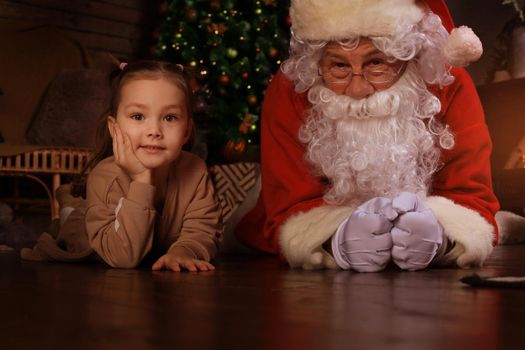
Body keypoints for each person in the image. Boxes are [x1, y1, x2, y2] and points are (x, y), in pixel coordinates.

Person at [235, 0, 500, 272]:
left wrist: (443, 237)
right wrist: (332, 240)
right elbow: (286, 204)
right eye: (338, 66)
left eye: (376, 62)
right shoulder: (291, 89)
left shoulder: (449, 83)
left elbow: (472, 197)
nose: (358, 89)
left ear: (411, 55)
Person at [22, 60, 223, 271]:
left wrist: (183, 252)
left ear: (187, 131)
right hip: (93, 240)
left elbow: (203, 229)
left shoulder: (195, 170)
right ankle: (71, 207)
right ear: (114, 128)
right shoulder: (105, 176)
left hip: (150, 246)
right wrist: (141, 180)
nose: (154, 130)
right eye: (138, 116)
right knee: (73, 231)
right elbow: (124, 257)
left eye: (170, 117)